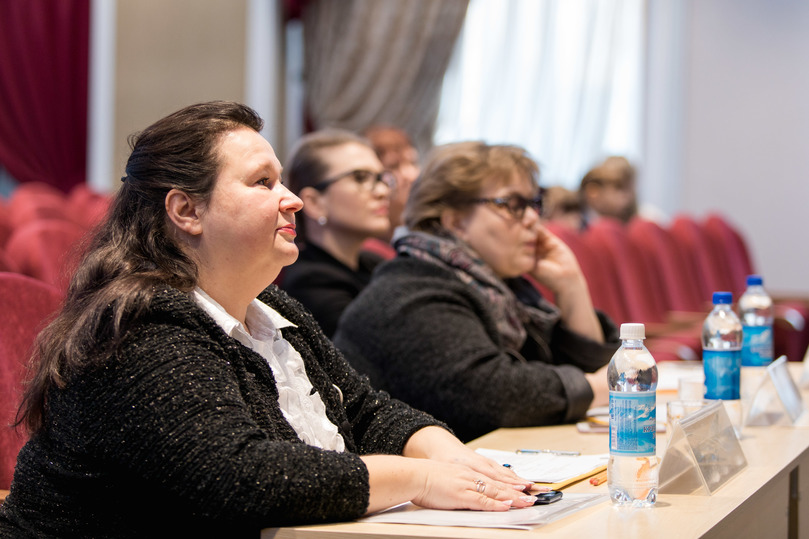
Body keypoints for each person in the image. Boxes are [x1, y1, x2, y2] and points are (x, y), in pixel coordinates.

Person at [0, 103, 540, 537]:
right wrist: (420, 478)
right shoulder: (141, 328)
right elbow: (243, 477)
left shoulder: (275, 309)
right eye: (263, 183)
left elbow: (366, 409)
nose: (291, 201)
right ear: (186, 211)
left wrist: (454, 458)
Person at [334, 141, 618, 442]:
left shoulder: (502, 289)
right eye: (511, 205)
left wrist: (570, 286)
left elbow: (586, 370)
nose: (533, 219)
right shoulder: (411, 289)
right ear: (455, 221)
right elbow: (495, 396)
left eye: (534, 203)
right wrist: (601, 387)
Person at [278, 129, 393, 337]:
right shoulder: (309, 283)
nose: (382, 191)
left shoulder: (375, 264)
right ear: (314, 203)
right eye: (360, 178)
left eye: (381, 178)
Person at [578, 155, 637, 227]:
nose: (626, 196)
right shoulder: (581, 221)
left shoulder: (641, 219)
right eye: (618, 187)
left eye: (629, 188)